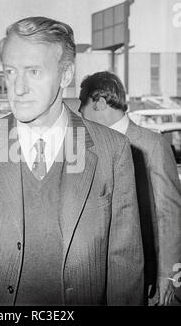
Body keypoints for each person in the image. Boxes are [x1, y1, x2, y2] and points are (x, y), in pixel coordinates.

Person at [0, 17, 144, 306]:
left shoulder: (113, 149)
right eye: (10, 71)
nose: (17, 88)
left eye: (34, 71)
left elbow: (125, 260)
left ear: (65, 74)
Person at [78, 71, 181, 306]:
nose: (80, 115)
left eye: (82, 107)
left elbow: (171, 216)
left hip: (147, 275)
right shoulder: (90, 148)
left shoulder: (152, 145)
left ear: (100, 102)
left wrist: (168, 276)